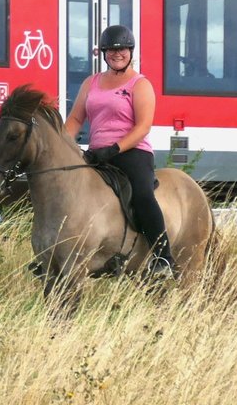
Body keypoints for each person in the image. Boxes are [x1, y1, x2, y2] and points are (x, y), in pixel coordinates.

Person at [63, 24, 176, 280]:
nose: (117, 53)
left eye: (122, 49)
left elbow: (143, 126)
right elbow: (75, 119)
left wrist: (114, 148)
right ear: (103, 53)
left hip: (132, 152)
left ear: (130, 51)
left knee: (143, 196)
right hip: (96, 154)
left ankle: (162, 256)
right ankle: (58, 255)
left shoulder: (140, 84)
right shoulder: (90, 83)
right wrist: (60, 145)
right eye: (112, 50)